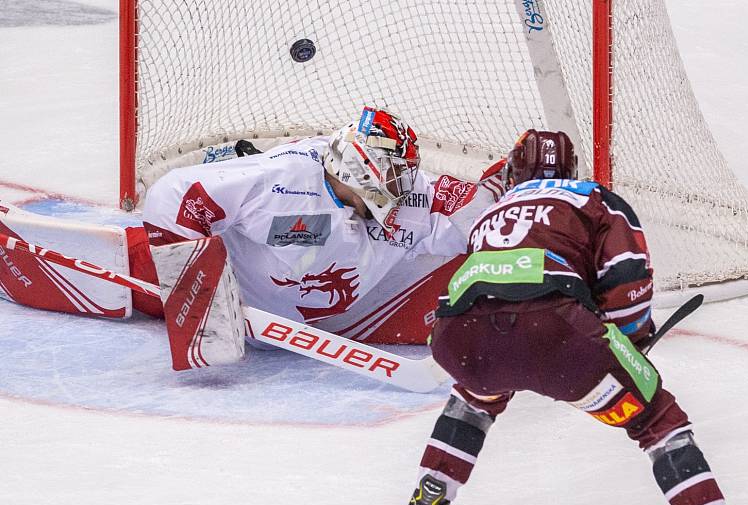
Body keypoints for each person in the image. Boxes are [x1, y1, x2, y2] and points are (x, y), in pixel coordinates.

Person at [395, 129, 748, 505]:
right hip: (556, 338)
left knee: (474, 398)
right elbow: (625, 278)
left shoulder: (493, 212)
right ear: (571, 171)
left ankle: (427, 504)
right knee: (657, 422)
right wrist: (631, 344)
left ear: (516, 172)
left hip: (458, 337)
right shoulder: (595, 199)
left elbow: (493, 289)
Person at [131, 106, 492, 344]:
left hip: (337, 319)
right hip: (234, 296)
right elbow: (174, 195)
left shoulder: (411, 197)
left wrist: (517, 184)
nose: (403, 185)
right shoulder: (284, 180)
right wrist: (201, 303)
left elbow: (478, 210)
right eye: (395, 174)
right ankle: (134, 262)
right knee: (142, 268)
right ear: (361, 167)